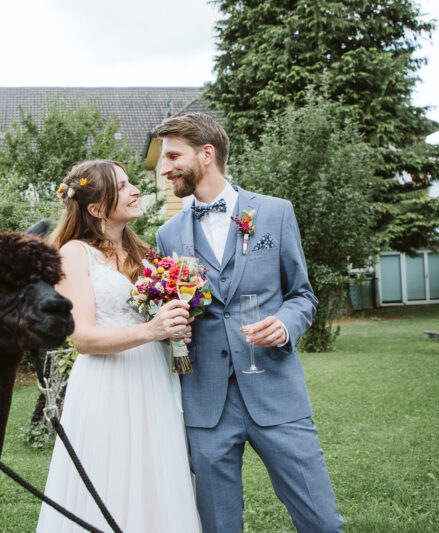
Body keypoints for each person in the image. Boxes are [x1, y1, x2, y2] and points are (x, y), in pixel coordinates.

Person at [154, 112, 344, 533]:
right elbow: (173, 310)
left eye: (172, 156)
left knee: (322, 522)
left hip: (277, 393)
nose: (164, 168)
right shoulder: (168, 235)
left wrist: (286, 324)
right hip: (206, 405)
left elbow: (302, 295)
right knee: (219, 527)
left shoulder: (276, 214)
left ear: (207, 154)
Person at [36, 160, 201, 532]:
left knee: (155, 480)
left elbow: (154, 319)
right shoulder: (74, 254)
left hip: (153, 382)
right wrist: (153, 330)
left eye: (131, 183)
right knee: (110, 480)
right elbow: (83, 338)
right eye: (123, 186)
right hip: (107, 387)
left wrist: (174, 327)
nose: (135, 190)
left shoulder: (144, 253)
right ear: (96, 208)